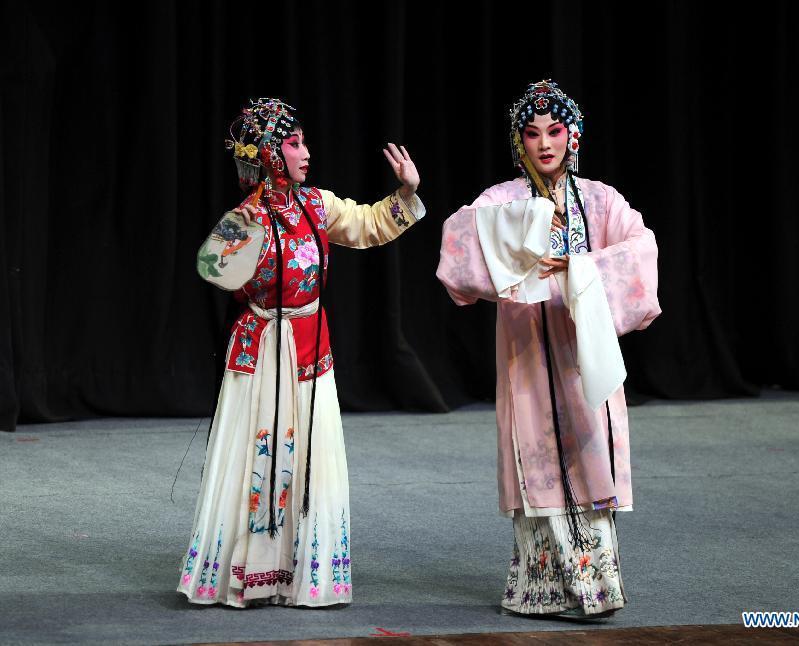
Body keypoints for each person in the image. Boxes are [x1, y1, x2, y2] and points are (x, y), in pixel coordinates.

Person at [178, 97, 424, 608]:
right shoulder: (247, 217)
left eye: (304, 142)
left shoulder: (317, 205)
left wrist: (406, 192)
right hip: (263, 345)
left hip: (310, 344)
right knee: (255, 454)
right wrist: (246, 242)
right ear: (269, 153)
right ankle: (246, 570)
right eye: (294, 144)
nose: (305, 152)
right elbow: (211, 268)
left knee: (311, 456)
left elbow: (368, 224)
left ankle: (300, 571)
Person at [437, 81, 660, 617]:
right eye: (532, 134)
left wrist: (582, 268)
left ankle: (596, 587)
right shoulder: (504, 201)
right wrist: (519, 239)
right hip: (526, 352)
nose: (544, 144)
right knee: (535, 455)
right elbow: (459, 241)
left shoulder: (601, 200)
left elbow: (642, 247)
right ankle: (538, 590)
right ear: (520, 142)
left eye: (554, 132)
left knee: (590, 452)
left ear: (572, 136)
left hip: (581, 350)